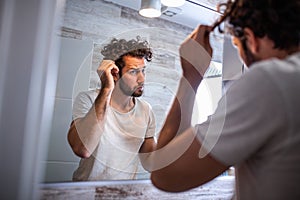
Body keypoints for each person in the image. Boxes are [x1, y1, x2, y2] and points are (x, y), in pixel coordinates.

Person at [143, 0, 300, 199]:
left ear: (251, 39)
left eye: (236, 46)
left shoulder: (271, 80)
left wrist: (191, 77)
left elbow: (164, 174)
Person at [67, 36, 156, 181]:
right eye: (133, 72)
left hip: (124, 195)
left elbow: (151, 164)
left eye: (143, 71)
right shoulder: (87, 99)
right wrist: (106, 88)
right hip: (86, 194)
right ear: (115, 73)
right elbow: (82, 149)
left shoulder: (146, 110)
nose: (142, 79)